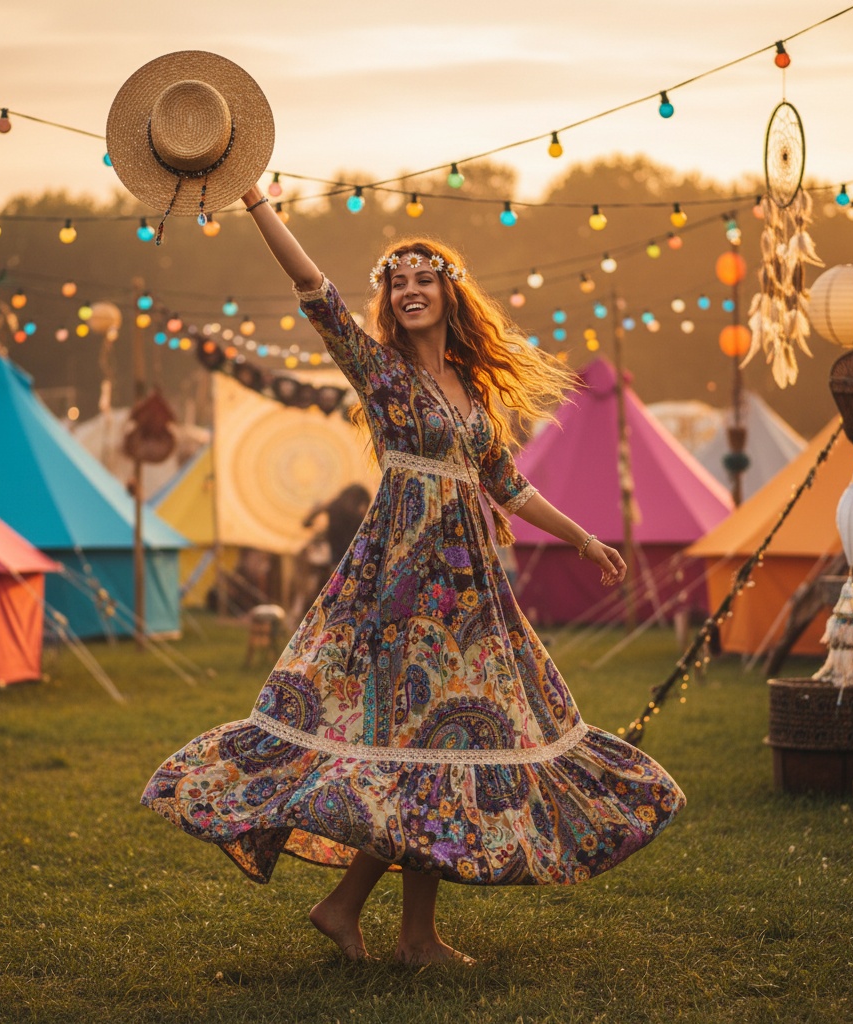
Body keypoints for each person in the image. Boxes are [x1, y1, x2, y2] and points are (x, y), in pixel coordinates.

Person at [141, 182, 686, 965]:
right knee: (419, 741)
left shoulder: (474, 392)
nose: (410, 292)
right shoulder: (381, 373)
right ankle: (394, 926)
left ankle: (391, 925)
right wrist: (259, 200)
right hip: (400, 580)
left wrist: (582, 538)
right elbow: (314, 291)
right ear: (389, 305)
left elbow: (510, 485)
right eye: (397, 285)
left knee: (440, 748)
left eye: (424, 280)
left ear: (449, 292)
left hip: (467, 594)